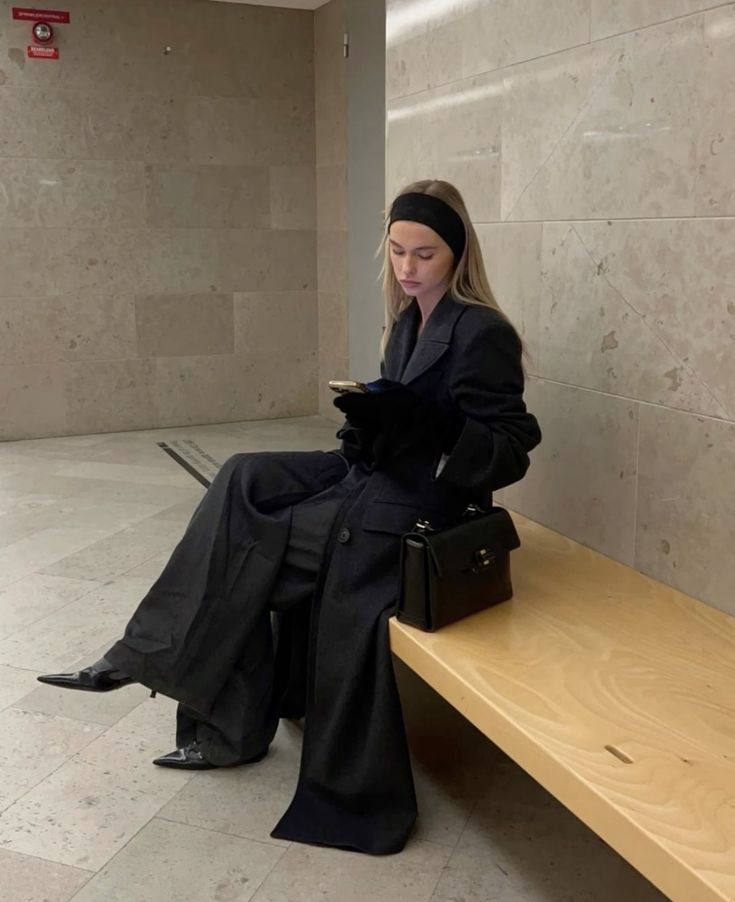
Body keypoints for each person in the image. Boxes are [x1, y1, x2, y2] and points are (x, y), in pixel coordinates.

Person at [38, 179, 541, 855]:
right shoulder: (407, 319)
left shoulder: (479, 329)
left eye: (424, 254)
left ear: (456, 253)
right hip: (372, 474)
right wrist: (372, 422)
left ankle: (193, 703)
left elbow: (511, 446)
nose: (407, 267)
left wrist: (431, 429)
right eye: (396, 251)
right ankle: (155, 668)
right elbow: (396, 421)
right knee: (245, 475)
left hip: (418, 504)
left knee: (252, 549)